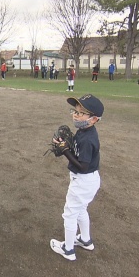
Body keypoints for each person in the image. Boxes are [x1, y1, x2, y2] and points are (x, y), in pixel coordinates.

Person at [50, 94, 104, 261]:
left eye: (80, 113)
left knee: (70, 214)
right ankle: (85, 240)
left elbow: (83, 166)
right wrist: (64, 144)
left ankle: (68, 249)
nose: (75, 115)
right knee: (80, 210)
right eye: (75, 111)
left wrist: (65, 150)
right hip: (89, 181)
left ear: (94, 119)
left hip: (83, 181)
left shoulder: (87, 139)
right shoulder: (83, 131)